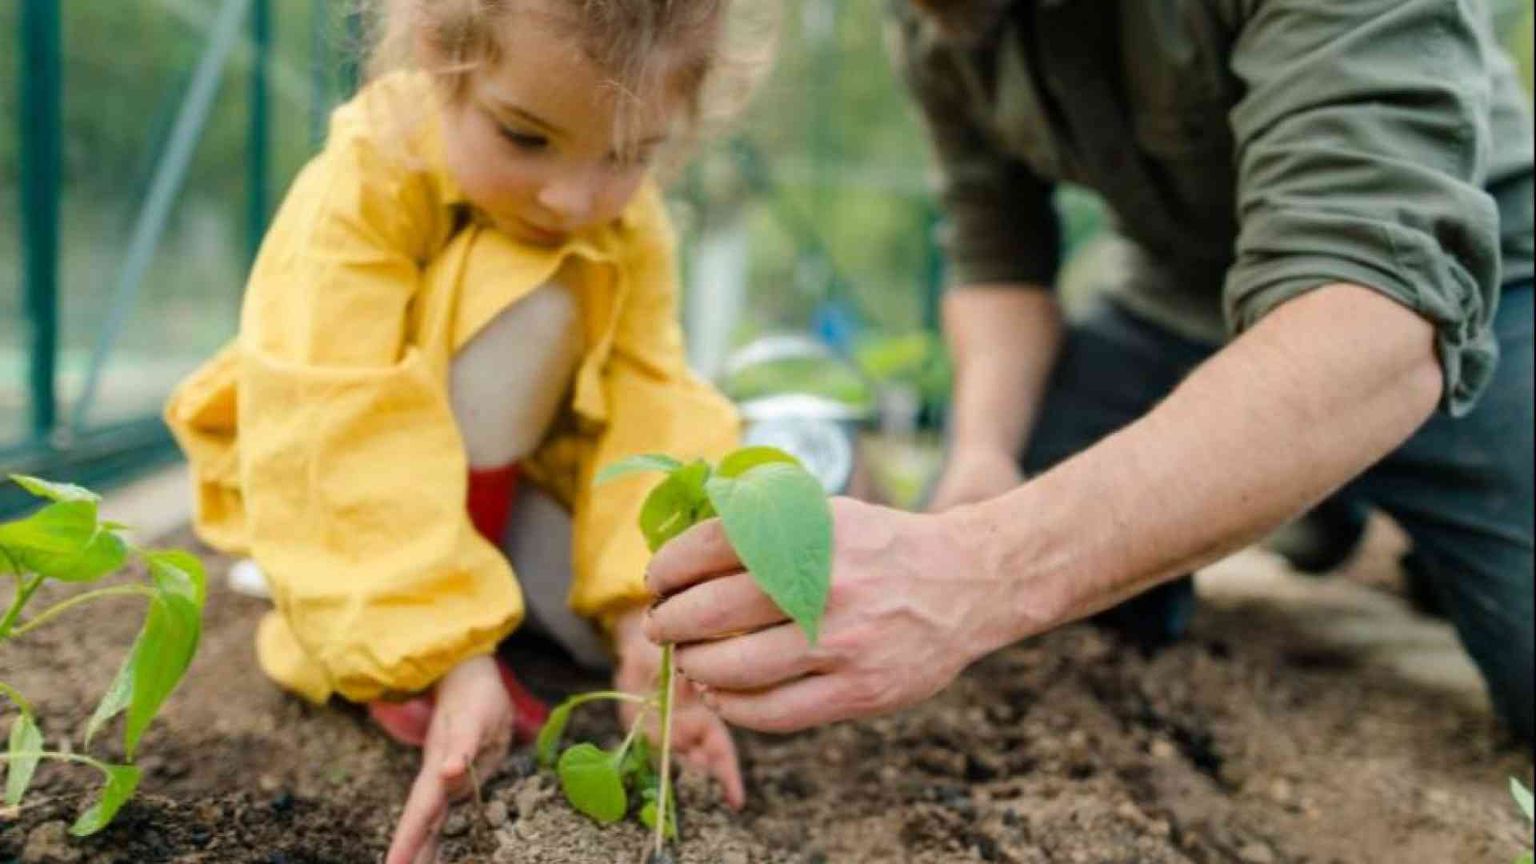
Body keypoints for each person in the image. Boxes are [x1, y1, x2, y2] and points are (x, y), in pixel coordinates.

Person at [643, 0, 1534, 747]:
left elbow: (1370, 321)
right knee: (1042, 555)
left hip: (1458, 299)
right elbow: (998, 257)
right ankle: (1316, 500)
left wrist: (979, 570)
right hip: (1177, 298)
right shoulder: (936, 19)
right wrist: (982, 460)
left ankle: (1340, 488)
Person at [165, 0, 770, 859]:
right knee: (528, 298)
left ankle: (475, 602)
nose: (573, 196)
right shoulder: (370, 172)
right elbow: (332, 419)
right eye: (525, 137)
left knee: (634, 606)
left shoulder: (633, 225)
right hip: (346, 493)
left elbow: (653, 410)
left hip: (519, 494)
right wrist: (447, 654)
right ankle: (408, 616)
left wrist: (650, 620)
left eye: (632, 154)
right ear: (439, 53)